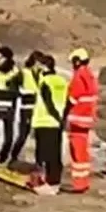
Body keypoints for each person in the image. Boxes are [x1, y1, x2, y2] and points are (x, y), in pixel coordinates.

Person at [31, 54, 68, 196]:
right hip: (56, 123)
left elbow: (48, 102)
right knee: (55, 155)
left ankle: (49, 184)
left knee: (45, 155)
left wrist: (55, 116)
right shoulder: (62, 81)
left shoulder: (44, 81)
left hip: (45, 121)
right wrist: (62, 119)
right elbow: (66, 101)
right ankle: (55, 182)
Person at [63, 47, 99, 193]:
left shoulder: (79, 76)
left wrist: (64, 113)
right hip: (87, 118)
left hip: (77, 118)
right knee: (83, 151)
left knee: (76, 151)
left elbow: (73, 97)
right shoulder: (90, 76)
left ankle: (79, 183)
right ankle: (83, 181)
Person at [9, 51, 43, 165]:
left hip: (38, 109)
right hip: (26, 108)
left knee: (39, 136)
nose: (40, 65)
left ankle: (39, 161)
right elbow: (12, 85)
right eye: (38, 62)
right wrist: (21, 93)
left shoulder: (41, 73)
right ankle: (13, 157)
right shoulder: (23, 73)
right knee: (23, 135)